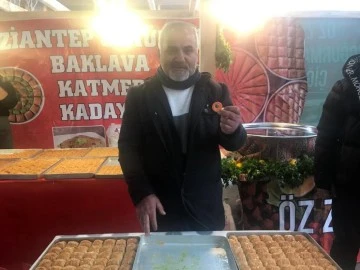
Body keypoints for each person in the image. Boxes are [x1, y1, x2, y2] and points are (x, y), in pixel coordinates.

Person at [118, 21, 247, 234]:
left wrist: (233, 130)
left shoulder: (215, 91)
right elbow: (128, 150)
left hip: (205, 210)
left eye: (187, 50)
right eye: (171, 50)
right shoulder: (139, 97)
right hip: (161, 210)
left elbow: (233, 143)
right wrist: (142, 193)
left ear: (196, 53)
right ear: (159, 53)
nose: (180, 58)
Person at [315, 54, 360, 269]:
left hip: (349, 183)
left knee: (345, 245)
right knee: (345, 246)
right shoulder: (345, 88)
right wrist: (323, 183)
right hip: (351, 185)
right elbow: (326, 137)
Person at [0, 80, 18, 149]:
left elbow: (11, 103)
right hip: (2, 121)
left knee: (6, 154)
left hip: (2, 120)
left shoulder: (4, 83)